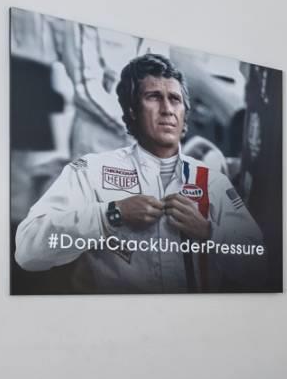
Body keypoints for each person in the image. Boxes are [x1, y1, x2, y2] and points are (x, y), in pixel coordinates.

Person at [14, 53, 263, 291]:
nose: (167, 109)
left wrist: (208, 232)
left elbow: (260, 269)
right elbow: (28, 249)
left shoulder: (211, 181)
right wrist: (111, 214)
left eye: (175, 99)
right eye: (154, 97)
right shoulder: (92, 171)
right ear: (132, 110)